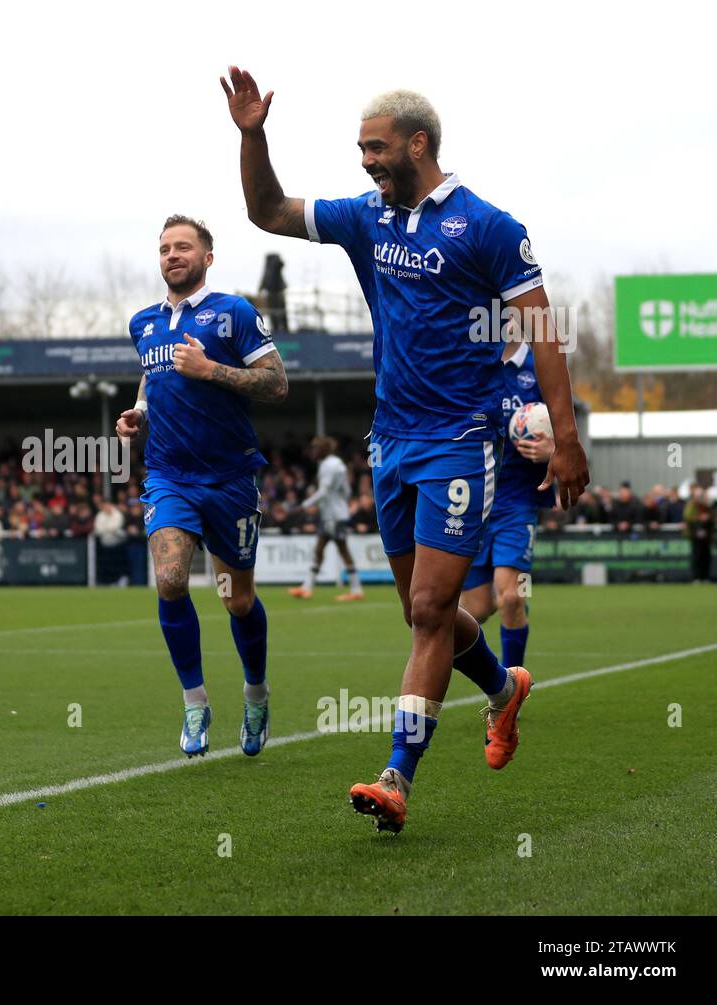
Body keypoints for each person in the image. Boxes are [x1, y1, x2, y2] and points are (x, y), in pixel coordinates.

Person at [222, 68, 588, 831]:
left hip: (460, 443)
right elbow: (265, 210)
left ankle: (398, 776)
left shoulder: (488, 226)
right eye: (360, 148)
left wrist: (567, 437)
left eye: (376, 147)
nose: (365, 161)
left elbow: (543, 333)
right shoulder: (366, 218)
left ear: (418, 144)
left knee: (428, 609)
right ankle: (502, 688)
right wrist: (253, 134)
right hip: (389, 444)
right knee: (424, 613)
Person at [117, 215, 288, 758]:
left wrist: (211, 369)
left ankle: (256, 694)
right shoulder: (143, 323)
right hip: (168, 475)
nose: (172, 255)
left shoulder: (233, 313)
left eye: (183, 247)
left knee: (237, 601)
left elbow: (276, 383)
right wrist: (139, 412)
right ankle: (195, 702)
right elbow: (153, 373)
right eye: (165, 248)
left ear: (207, 257)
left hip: (231, 477)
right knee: (169, 580)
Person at [458, 339, 555, 671]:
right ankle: (495, 682)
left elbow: (567, 435)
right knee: (474, 611)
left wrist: (553, 451)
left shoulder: (540, 366)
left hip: (517, 501)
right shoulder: (471, 362)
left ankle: (512, 693)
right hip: (474, 499)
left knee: (511, 597)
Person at [287, 435, 364, 601]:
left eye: (315, 448)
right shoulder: (336, 464)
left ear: (323, 449)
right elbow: (347, 491)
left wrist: (303, 506)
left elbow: (324, 492)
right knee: (320, 550)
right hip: (333, 514)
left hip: (334, 516)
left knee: (342, 550)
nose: (312, 451)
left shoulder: (329, 466)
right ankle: (306, 588)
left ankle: (356, 590)